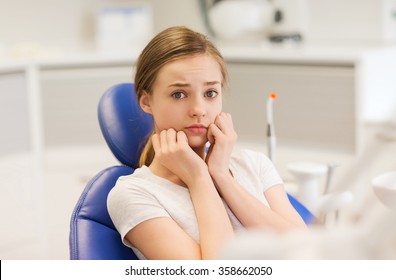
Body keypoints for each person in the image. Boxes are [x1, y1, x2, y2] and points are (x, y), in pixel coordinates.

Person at [107, 26, 307, 260]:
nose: (199, 110)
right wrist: (199, 178)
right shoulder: (133, 195)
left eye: (210, 93)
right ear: (146, 102)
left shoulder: (255, 164)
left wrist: (222, 177)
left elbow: (304, 251)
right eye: (179, 94)